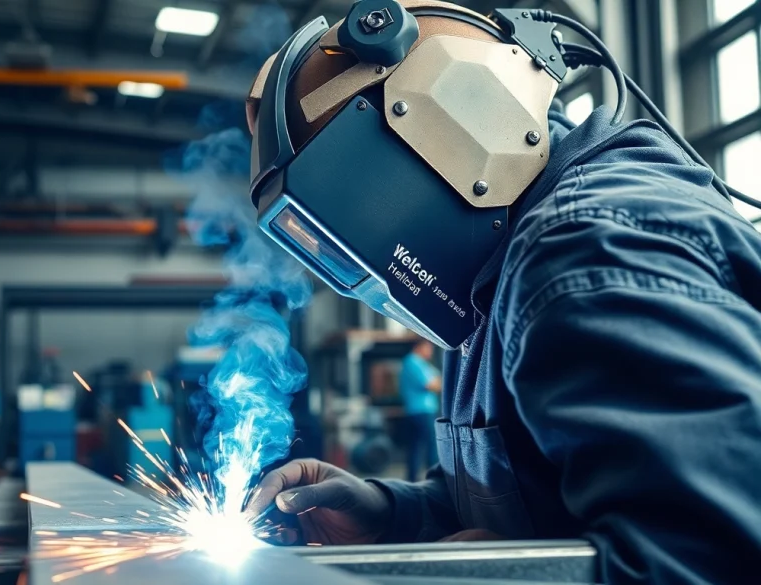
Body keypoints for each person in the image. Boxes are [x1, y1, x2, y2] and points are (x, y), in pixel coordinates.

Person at [243, 2, 761, 583]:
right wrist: (391, 516)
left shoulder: (585, 260)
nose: (369, 283)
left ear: (442, 117)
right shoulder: (488, 280)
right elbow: (529, 496)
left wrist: (503, 575)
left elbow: (718, 559)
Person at [399, 341, 440, 482]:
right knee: (429, 446)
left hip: (420, 410)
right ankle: (433, 479)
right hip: (421, 411)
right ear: (419, 347)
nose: (431, 351)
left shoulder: (422, 363)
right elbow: (432, 384)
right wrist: (440, 382)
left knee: (417, 446)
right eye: (429, 348)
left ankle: (415, 480)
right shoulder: (413, 362)